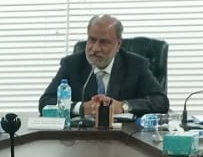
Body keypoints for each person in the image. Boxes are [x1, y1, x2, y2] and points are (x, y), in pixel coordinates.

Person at [37, 15, 169, 119]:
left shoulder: (135, 65)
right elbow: (45, 102)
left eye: (104, 42)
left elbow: (161, 101)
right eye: (92, 40)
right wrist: (81, 108)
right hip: (81, 138)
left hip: (124, 137)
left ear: (118, 45)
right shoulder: (72, 65)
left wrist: (123, 106)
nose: (95, 48)